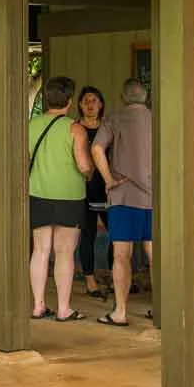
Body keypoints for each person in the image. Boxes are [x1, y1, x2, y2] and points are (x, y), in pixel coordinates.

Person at [28, 76, 94, 323]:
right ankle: (64, 308)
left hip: (38, 192)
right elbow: (84, 165)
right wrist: (91, 173)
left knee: (40, 250)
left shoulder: (31, 125)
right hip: (69, 195)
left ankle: (38, 305)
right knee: (64, 252)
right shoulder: (75, 129)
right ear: (69, 101)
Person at [91, 77, 153, 326]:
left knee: (121, 255)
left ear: (123, 97)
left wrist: (108, 179)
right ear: (146, 97)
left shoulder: (114, 119)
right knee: (154, 254)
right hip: (155, 196)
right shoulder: (157, 119)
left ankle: (120, 312)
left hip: (124, 196)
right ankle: (160, 309)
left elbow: (97, 149)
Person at [75, 86, 109, 300]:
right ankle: (89, 280)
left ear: (101, 104)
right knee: (87, 235)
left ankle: (117, 277)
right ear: (79, 104)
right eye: (86, 100)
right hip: (82, 188)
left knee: (117, 234)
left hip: (107, 188)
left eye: (94, 100)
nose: (90, 104)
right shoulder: (75, 129)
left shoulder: (109, 128)